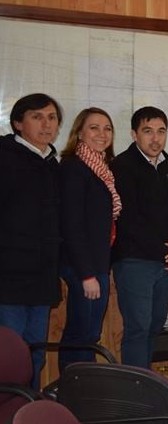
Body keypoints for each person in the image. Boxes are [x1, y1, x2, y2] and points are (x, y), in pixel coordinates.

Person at [110, 106, 168, 369]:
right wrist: (164, 250)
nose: (156, 139)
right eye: (148, 131)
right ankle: (136, 391)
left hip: (165, 262)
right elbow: (128, 220)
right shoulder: (122, 165)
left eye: (161, 131)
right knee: (138, 328)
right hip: (134, 261)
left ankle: (146, 384)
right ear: (134, 134)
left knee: (155, 325)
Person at [0, 93, 63, 388]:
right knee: (9, 356)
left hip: (42, 276)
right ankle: (9, 422)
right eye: (37, 117)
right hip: (9, 277)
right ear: (17, 123)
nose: (46, 124)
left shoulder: (52, 163)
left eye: (51, 118)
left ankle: (31, 416)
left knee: (35, 353)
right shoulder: (5, 156)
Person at [58, 107, 120, 376]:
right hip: (84, 267)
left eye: (107, 128)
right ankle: (74, 391)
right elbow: (72, 225)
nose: (102, 133)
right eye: (94, 127)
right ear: (79, 132)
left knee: (89, 332)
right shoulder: (74, 167)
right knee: (81, 334)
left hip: (98, 262)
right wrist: (86, 274)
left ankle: (84, 388)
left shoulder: (102, 168)